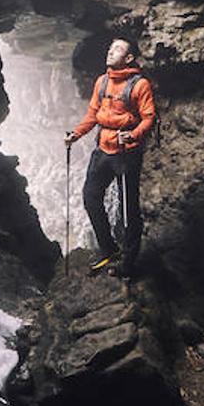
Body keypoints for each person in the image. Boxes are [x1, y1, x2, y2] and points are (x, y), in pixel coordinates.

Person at [65, 37, 156, 279]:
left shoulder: (139, 85)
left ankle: (128, 263)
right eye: (110, 47)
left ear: (128, 58)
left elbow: (149, 117)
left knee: (128, 210)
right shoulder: (102, 82)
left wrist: (134, 135)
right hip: (102, 149)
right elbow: (93, 114)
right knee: (90, 197)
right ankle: (109, 250)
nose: (110, 51)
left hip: (126, 153)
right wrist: (77, 133)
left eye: (117, 49)